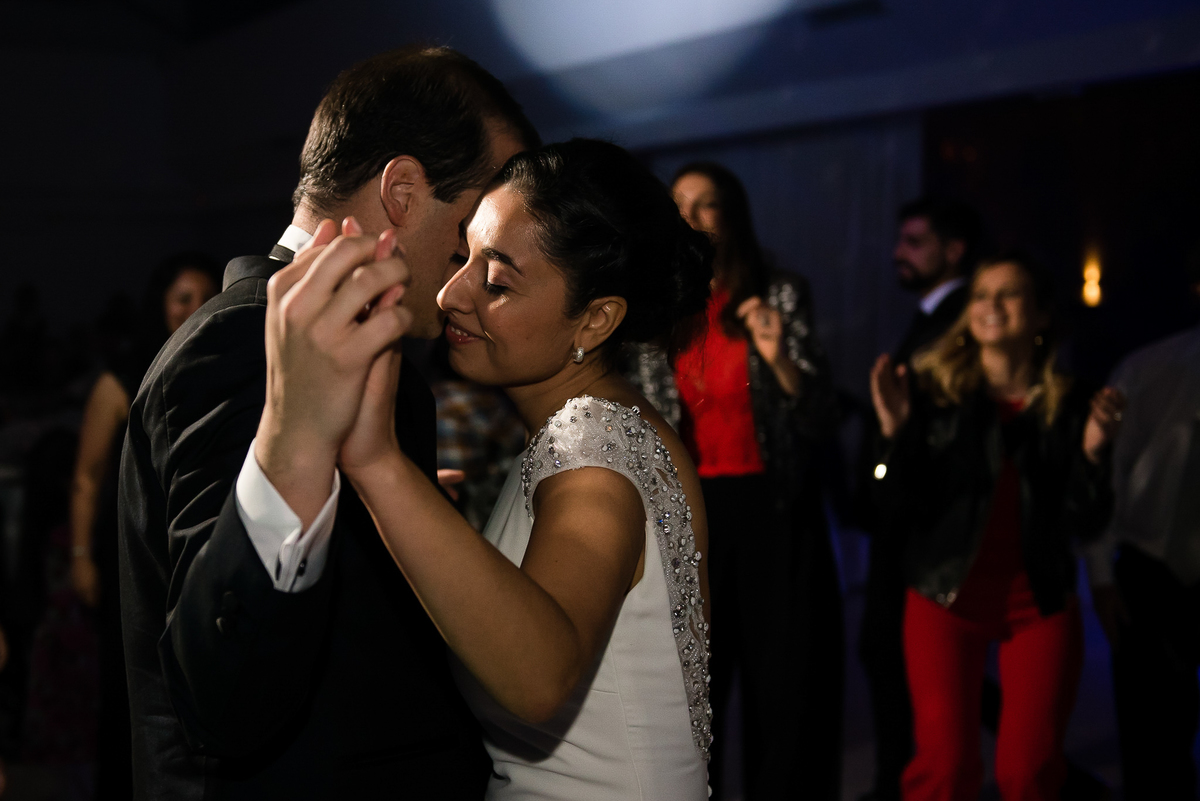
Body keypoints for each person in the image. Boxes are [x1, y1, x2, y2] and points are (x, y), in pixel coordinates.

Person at [118, 46, 539, 799]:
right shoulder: (242, 343)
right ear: (403, 192)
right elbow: (224, 696)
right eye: (472, 224)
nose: (476, 262)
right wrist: (294, 446)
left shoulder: (375, 346)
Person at [282, 138, 714, 798]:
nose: (450, 293)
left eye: (497, 282)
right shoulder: (600, 427)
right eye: (464, 256)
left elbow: (539, 679)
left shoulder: (592, 451)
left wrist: (377, 461)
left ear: (595, 320)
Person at [870, 251, 1120, 801]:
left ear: (1041, 314)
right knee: (944, 769)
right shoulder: (934, 393)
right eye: (982, 295)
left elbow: (1087, 520)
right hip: (944, 596)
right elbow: (890, 509)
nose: (991, 306)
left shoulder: (1073, 401)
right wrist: (893, 436)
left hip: (1038, 600)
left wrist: (1093, 456)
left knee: (1028, 772)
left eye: (1009, 294)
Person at [664, 161, 842, 800]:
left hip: (772, 506)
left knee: (785, 687)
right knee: (695, 693)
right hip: (692, 513)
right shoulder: (658, 303)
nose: (690, 217)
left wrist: (778, 358)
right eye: (678, 204)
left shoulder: (778, 293)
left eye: (706, 204)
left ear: (731, 215)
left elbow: (821, 417)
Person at [69, 252, 218, 798]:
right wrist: (81, 557)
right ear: (159, 304)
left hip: (189, 556)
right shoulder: (120, 379)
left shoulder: (215, 369)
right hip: (128, 553)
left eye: (205, 298)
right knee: (129, 684)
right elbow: (87, 476)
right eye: (182, 298)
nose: (194, 309)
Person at [858, 196, 981, 801]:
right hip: (913, 510)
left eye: (915, 242)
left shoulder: (957, 324)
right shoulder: (934, 317)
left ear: (953, 250)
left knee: (895, 653)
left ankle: (897, 785)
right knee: (902, 656)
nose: (897, 253)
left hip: (924, 518)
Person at [1085, 259, 1200, 799]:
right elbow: (1107, 476)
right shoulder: (1149, 368)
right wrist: (1101, 575)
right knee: (1152, 744)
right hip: (1152, 571)